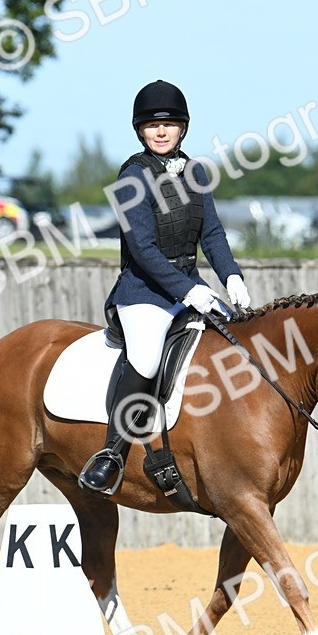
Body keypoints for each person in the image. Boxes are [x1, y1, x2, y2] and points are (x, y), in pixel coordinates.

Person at [79, 79, 251, 494]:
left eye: (170, 124)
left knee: (237, 338)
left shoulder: (195, 171)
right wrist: (187, 290)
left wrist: (231, 277)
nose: (161, 132)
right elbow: (141, 247)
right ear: (140, 130)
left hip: (191, 288)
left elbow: (211, 234)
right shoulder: (131, 176)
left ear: (182, 129)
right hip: (144, 293)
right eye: (153, 126)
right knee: (147, 356)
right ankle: (111, 453)